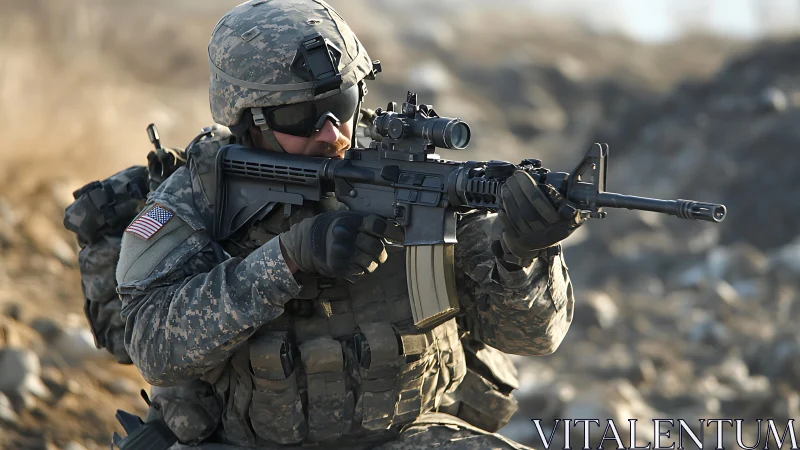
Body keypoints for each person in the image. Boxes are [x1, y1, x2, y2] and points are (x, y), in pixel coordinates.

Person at [114, 1, 582, 448]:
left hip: (412, 433)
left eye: (343, 102)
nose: (332, 133)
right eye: (301, 118)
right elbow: (153, 347)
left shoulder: (414, 179)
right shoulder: (199, 194)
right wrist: (287, 259)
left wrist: (520, 255)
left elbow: (534, 336)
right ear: (247, 118)